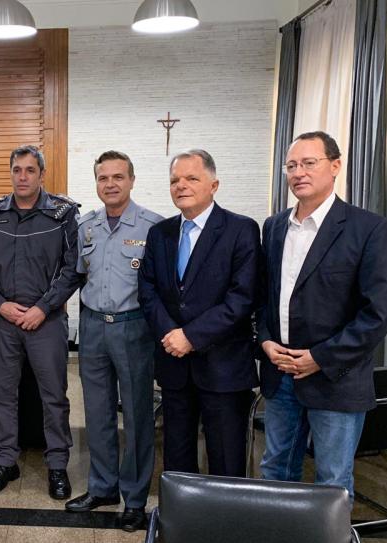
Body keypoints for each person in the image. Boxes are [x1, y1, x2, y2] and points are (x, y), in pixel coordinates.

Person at [258, 131, 387, 502]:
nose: (298, 172)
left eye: (309, 163)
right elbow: (264, 298)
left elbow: (379, 312)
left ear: (335, 166)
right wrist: (265, 340)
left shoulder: (368, 228)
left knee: (332, 482)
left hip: (336, 376)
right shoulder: (273, 227)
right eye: (291, 165)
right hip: (280, 370)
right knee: (274, 471)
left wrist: (320, 358)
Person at [138, 149, 260, 478]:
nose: (181, 185)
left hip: (223, 366)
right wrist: (171, 336)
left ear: (214, 184)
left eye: (192, 178)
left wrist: (190, 336)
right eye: (175, 180)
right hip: (174, 364)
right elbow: (147, 290)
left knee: (225, 457)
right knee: (177, 455)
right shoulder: (160, 233)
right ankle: (182, 523)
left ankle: (225, 527)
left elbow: (242, 298)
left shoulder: (241, 229)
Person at [64, 151, 162, 532]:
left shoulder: (153, 226)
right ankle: (102, 487)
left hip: (133, 327)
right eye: (103, 178)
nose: (111, 184)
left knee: (137, 415)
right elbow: (79, 275)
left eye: (118, 177)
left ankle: (134, 498)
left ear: (132, 180)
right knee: (97, 412)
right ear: (96, 183)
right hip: (92, 327)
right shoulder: (86, 226)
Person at [0, 145, 80, 499]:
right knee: (1, 395)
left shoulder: (62, 214)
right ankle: (5, 461)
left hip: (46, 321)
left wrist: (43, 308)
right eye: (17, 170)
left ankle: (57, 465)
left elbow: (72, 268)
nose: (23, 176)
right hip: (3, 321)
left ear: (41, 174)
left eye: (30, 170)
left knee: (54, 396)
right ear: (11, 172)